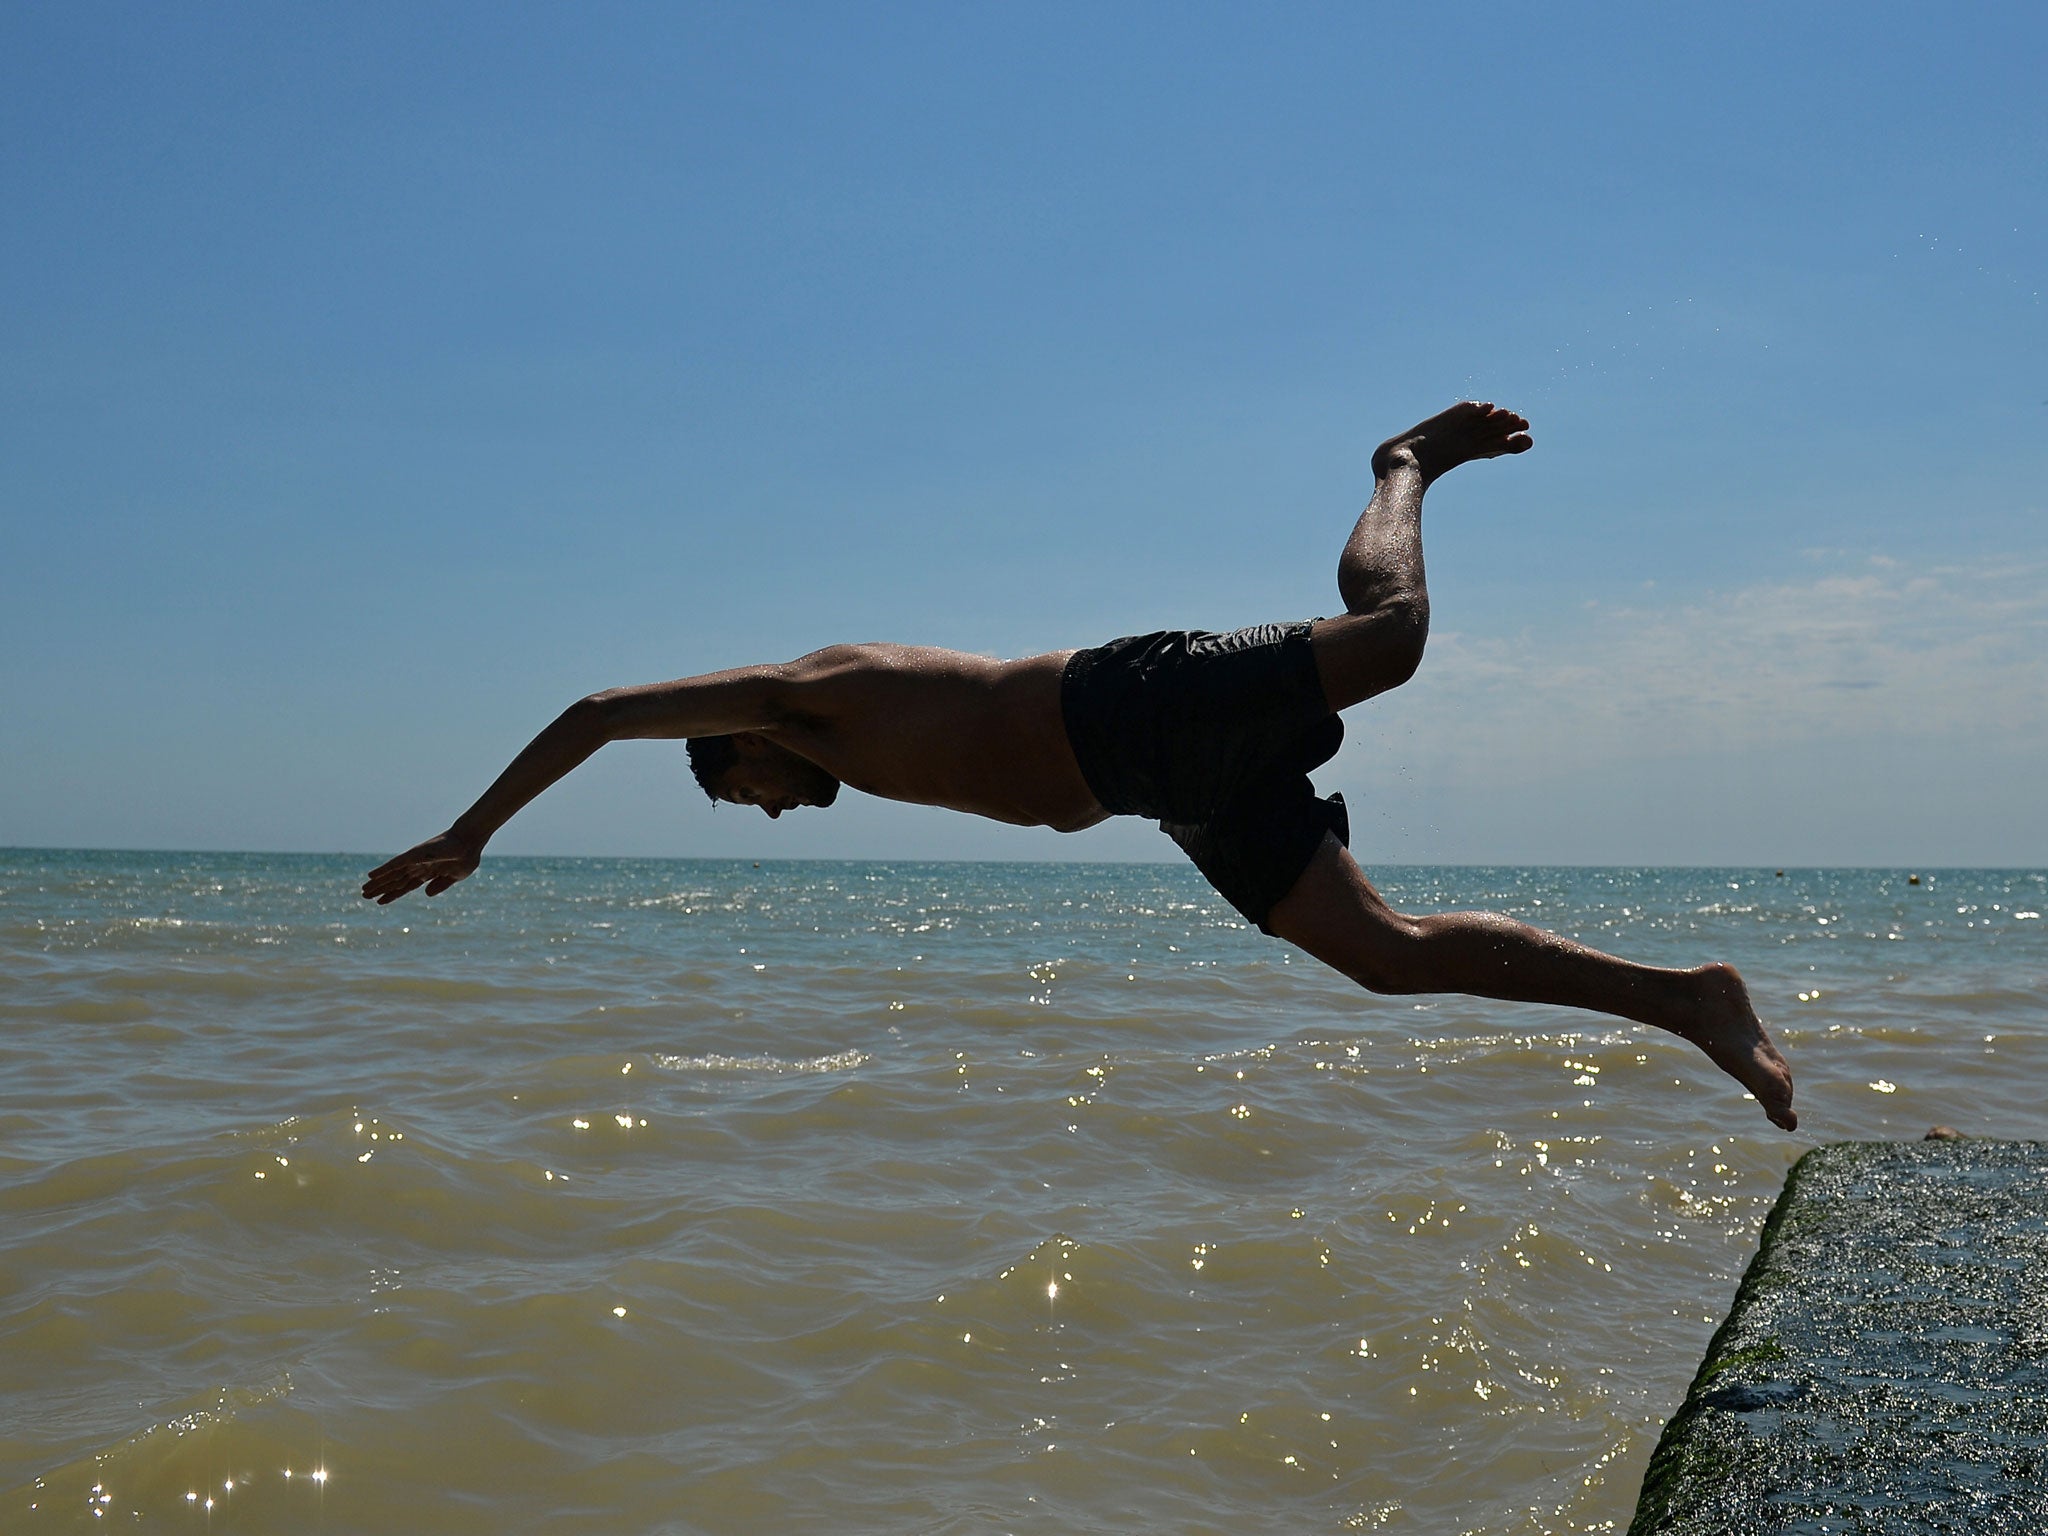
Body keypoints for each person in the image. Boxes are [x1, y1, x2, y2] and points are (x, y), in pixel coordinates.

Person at [363, 403, 1796, 1130]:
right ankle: (1686, 999)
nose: (781, 813)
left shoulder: (799, 697)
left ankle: (1404, 456)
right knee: (1382, 953)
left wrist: (471, 829)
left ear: (733, 748)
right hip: (1158, 789)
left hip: (1130, 702)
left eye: (746, 797)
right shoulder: (830, 736)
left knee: (1394, 634)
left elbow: (602, 705)